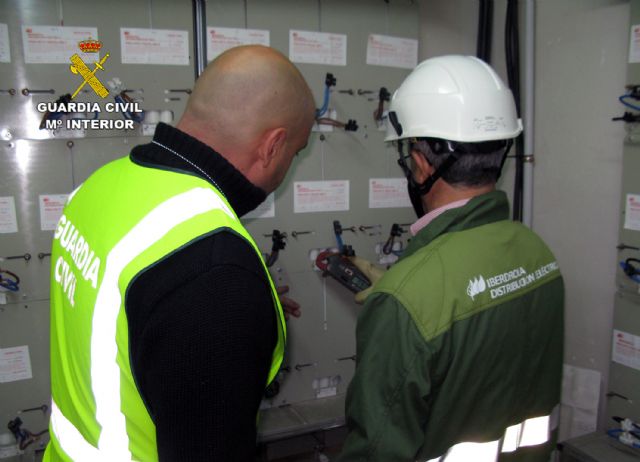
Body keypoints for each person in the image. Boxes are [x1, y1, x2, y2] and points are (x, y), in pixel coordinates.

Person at [45, 45, 315, 461]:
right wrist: (229, 306)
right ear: (273, 145)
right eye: (295, 152)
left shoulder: (100, 184)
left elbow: (129, 313)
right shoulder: (213, 271)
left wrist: (233, 313)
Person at [339, 55, 564, 462]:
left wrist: (401, 302)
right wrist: (406, 292)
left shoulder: (404, 302)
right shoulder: (538, 253)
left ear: (421, 164)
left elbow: (374, 451)